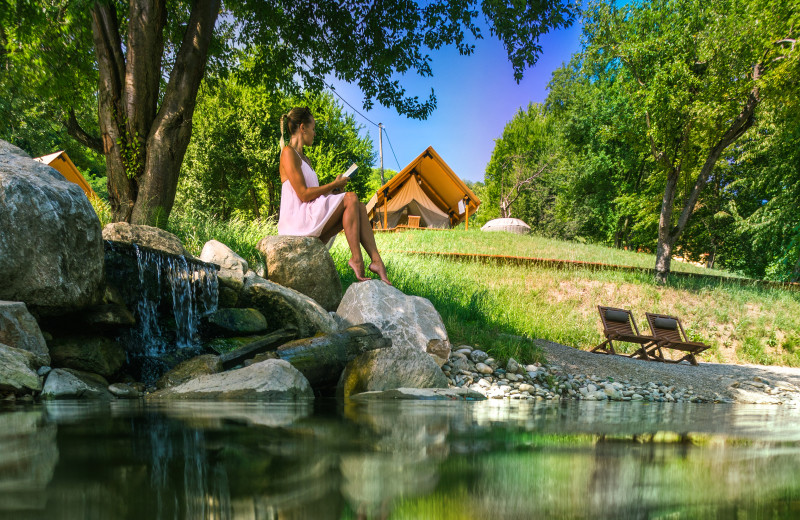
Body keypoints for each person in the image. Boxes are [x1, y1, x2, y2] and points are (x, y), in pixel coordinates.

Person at [278, 107, 390, 284]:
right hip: (296, 221)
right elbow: (303, 195)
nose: (314, 133)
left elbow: (313, 196)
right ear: (302, 127)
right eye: (313, 128)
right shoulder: (288, 153)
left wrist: (333, 190)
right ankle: (357, 260)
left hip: (309, 214)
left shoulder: (306, 159)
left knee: (359, 207)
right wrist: (334, 185)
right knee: (351, 197)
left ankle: (377, 262)